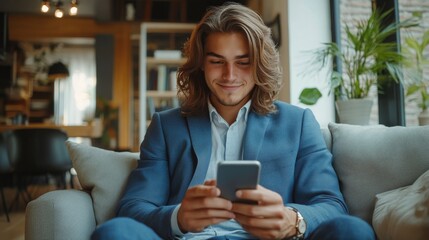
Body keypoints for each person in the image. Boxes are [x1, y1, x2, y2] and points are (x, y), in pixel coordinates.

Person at [91, 2, 375, 240]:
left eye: (243, 62)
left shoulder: (298, 122)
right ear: (201, 64)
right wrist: (178, 217)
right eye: (217, 61)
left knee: (353, 230)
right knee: (114, 232)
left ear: (259, 64)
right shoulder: (166, 127)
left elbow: (332, 205)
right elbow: (133, 207)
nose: (229, 76)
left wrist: (294, 219)